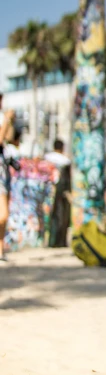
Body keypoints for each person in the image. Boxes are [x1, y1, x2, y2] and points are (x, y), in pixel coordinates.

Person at [45, 139, 72, 248]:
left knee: (49, 215)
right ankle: (60, 241)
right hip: (61, 192)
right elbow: (67, 179)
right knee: (62, 216)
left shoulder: (47, 158)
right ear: (62, 148)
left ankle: (50, 241)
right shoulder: (65, 160)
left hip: (48, 191)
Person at [0, 100, 16, 263]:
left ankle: (0, 250)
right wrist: (5, 120)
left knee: (4, 215)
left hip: (2, 172)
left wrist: (9, 121)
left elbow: (9, 137)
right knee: (2, 214)